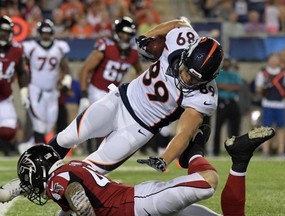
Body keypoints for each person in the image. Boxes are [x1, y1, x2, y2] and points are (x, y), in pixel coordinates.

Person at [0, 18, 224, 200]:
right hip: (119, 101)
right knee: (67, 137)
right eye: (187, 71)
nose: (187, 79)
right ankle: (24, 183)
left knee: (87, 172)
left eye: (196, 79)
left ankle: (59, 200)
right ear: (187, 53)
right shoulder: (181, 40)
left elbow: (184, 133)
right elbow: (178, 24)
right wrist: (148, 36)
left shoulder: (205, 96)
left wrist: (165, 158)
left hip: (139, 129)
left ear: (210, 78)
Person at [14, 126, 275, 216]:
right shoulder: (74, 166)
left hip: (139, 205)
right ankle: (239, 160)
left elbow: (75, 194)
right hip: (140, 203)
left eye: (28, 177)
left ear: (40, 170)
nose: (29, 183)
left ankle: (193, 152)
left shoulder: (58, 180)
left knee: (208, 181)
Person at [78, 16, 142, 153]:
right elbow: (84, 70)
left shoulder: (133, 53)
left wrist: (134, 87)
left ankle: (104, 152)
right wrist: (84, 95)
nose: (125, 38)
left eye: (128, 35)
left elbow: (140, 73)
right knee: (94, 125)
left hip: (113, 92)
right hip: (96, 89)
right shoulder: (106, 46)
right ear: (116, 32)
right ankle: (91, 151)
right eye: (123, 34)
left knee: (114, 125)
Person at [21, 19, 72, 146]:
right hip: (35, 89)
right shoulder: (31, 47)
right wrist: (24, 88)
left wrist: (66, 79)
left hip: (52, 91)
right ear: (39, 33)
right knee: (39, 123)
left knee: (50, 124)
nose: (46, 35)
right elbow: (22, 68)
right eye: (43, 33)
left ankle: (28, 146)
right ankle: (39, 150)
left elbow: (65, 67)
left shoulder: (59, 47)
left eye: (48, 33)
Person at [0, 15, 29, 156]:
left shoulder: (17, 50)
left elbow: (22, 72)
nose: (2, 35)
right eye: (0, 31)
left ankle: (6, 147)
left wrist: (24, 93)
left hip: (5, 97)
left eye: (5, 32)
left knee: (9, 130)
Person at [255, 53, 285, 159]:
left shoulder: (284, 74)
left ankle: (281, 151)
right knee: (266, 128)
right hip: (267, 104)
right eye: (272, 59)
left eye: (276, 59)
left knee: (281, 128)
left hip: (280, 104)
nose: (274, 61)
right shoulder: (262, 74)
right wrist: (264, 88)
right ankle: (266, 151)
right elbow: (258, 89)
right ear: (268, 60)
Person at [213, 57, 242, 156]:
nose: (226, 63)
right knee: (218, 128)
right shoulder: (218, 73)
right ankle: (215, 151)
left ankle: (235, 150)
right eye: (224, 62)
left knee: (235, 128)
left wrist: (225, 86)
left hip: (232, 102)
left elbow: (238, 87)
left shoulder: (234, 74)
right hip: (222, 102)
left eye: (227, 62)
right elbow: (218, 85)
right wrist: (230, 87)